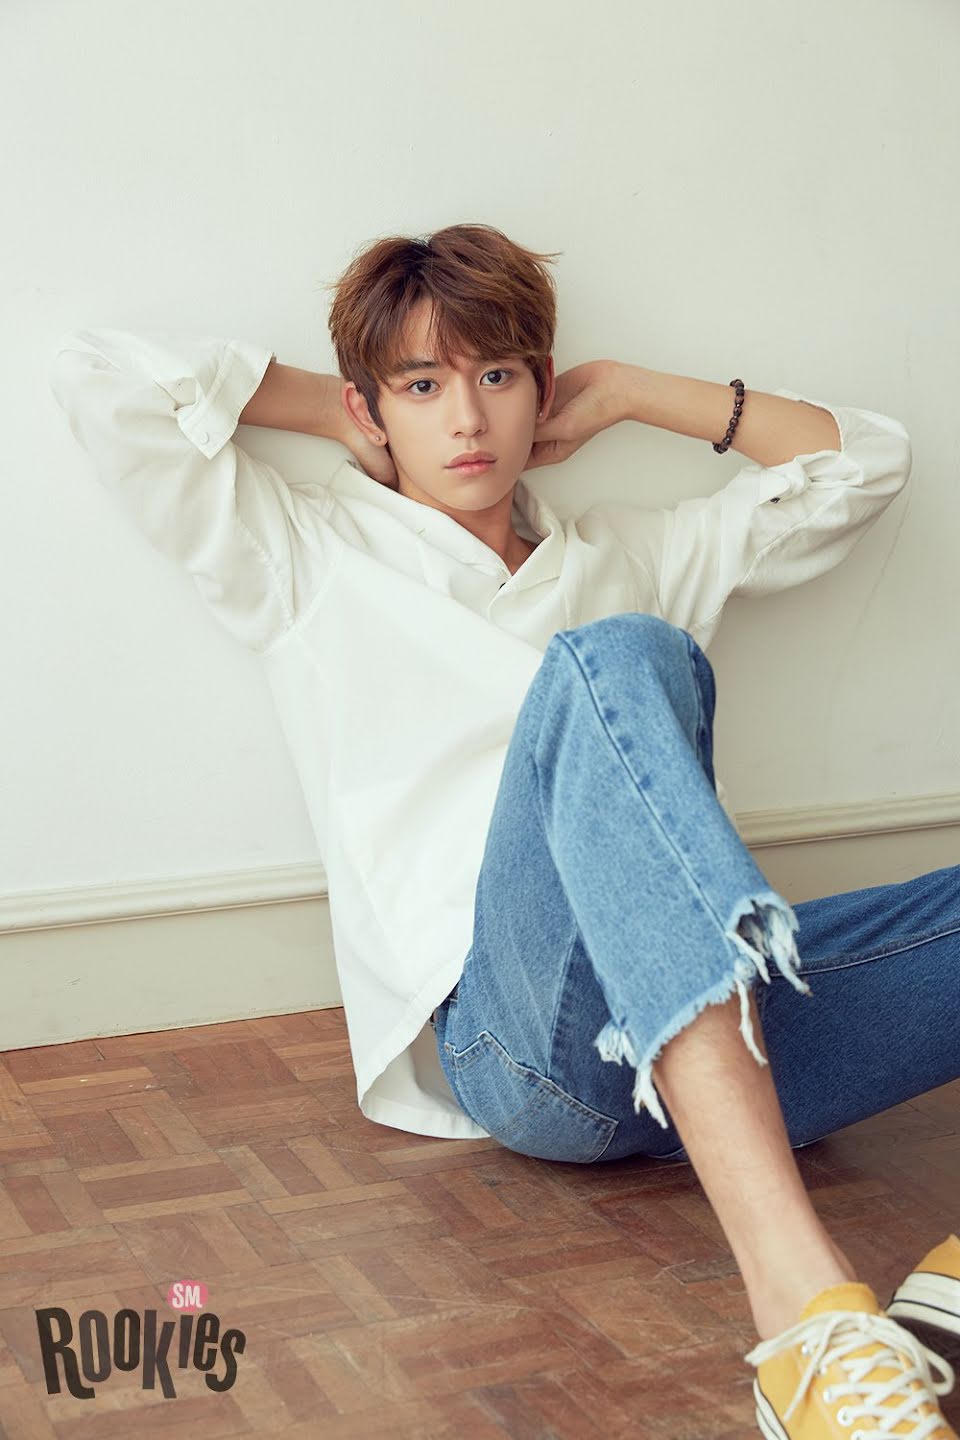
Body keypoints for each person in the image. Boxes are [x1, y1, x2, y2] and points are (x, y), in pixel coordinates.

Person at [50, 222, 960, 1437]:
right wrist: (342, 411)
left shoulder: (627, 550)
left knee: (617, 638)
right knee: (610, 658)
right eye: (425, 387)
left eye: (496, 376)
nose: (469, 420)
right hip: (525, 1053)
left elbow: (869, 462)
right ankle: (805, 1318)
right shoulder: (306, 553)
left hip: (713, 1048)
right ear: (378, 406)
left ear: (543, 387)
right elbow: (99, 379)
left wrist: (628, 391)